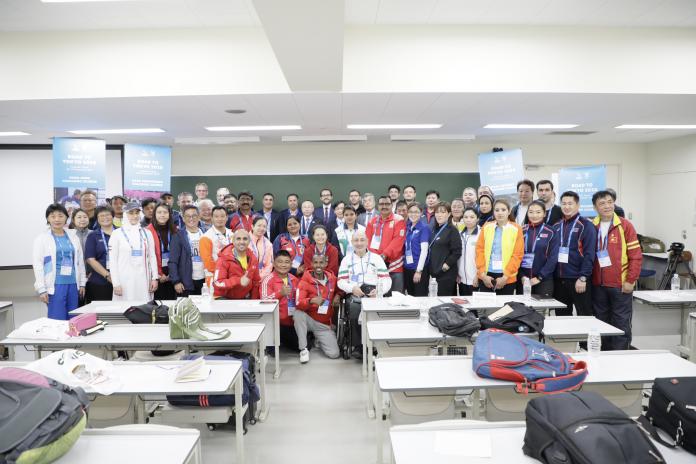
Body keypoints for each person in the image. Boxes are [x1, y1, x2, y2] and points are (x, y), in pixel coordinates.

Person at [591, 190, 642, 350]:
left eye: (609, 202)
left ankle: (621, 355)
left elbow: (636, 256)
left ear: (614, 203)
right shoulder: (592, 225)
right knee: (601, 321)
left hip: (620, 284)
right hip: (598, 284)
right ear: (595, 207)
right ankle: (605, 353)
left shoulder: (625, 225)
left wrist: (630, 280)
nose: (607, 206)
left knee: (621, 321)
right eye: (602, 203)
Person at [337, 231, 391, 359]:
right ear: (352, 243)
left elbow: (387, 279)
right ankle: (359, 346)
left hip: (374, 293)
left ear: (367, 242)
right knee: (355, 308)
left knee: (376, 311)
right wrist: (352, 288)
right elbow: (340, 281)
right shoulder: (346, 260)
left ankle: (376, 345)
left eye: (362, 240)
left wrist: (379, 291)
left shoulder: (376, 258)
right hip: (355, 293)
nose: (359, 243)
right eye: (356, 240)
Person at [33, 203, 86, 320]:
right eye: (53, 216)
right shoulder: (42, 239)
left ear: (66, 218)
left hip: (73, 284)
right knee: (57, 320)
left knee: (73, 319)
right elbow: (38, 265)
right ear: (48, 218)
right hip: (55, 285)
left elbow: (80, 262)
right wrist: (41, 289)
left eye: (60, 216)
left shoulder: (73, 237)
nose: (57, 219)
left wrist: (82, 283)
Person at [553, 191, 597, 317]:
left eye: (570, 203)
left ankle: (586, 338)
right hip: (559, 280)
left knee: (585, 315)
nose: (566, 207)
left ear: (577, 205)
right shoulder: (556, 226)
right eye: (564, 203)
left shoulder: (586, 225)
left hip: (578, 280)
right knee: (562, 316)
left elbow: (589, 254)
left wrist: (583, 277)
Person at [295, 254, 341, 362]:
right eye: (315, 262)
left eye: (321, 262)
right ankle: (303, 349)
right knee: (298, 314)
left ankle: (318, 339)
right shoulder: (304, 281)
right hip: (309, 319)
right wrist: (311, 301)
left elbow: (341, 288)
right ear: (311, 264)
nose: (318, 265)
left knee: (334, 354)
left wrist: (338, 295)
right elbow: (298, 303)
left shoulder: (333, 279)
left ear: (326, 264)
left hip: (323, 324)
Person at [109, 201, 158, 301]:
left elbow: (152, 256)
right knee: (124, 311)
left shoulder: (147, 233)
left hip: (144, 280)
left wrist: (154, 278)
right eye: (131, 213)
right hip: (124, 281)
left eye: (137, 213)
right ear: (125, 214)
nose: (135, 216)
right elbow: (113, 261)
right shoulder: (116, 234)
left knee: (144, 310)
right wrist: (116, 283)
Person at [475, 198, 524, 295]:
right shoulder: (487, 226)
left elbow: (517, 255)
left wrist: (505, 277)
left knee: (504, 309)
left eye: (503, 210)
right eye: (497, 210)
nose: (500, 213)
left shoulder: (516, 229)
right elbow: (479, 250)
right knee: (487, 308)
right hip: (486, 275)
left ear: (509, 211)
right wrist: (483, 275)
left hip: (506, 277)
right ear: (493, 212)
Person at [260, 251, 300, 350]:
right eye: (280, 262)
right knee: (272, 351)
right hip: (275, 324)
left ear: (291, 264)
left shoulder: (295, 279)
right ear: (274, 263)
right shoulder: (267, 280)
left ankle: (285, 340)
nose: (283, 265)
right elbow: (263, 301)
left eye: (287, 262)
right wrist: (280, 294)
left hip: (291, 323)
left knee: (299, 346)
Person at [517, 200, 558, 297]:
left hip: (543, 280)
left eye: (538, 212)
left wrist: (540, 277)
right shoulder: (521, 230)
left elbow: (553, 258)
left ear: (544, 213)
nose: (534, 215)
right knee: (522, 310)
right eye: (531, 212)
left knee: (541, 311)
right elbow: (516, 254)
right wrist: (522, 276)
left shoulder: (551, 232)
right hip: (523, 280)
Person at [366, 196, 406, 294]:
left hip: (394, 266)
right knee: (378, 297)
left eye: (387, 204)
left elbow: (397, 241)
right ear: (378, 206)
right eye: (381, 204)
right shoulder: (372, 221)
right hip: (376, 266)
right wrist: (376, 258)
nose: (384, 206)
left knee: (396, 297)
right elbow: (367, 241)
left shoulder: (398, 220)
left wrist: (384, 255)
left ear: (392, 205)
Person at [214, 229, 262, 300]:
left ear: (249, 241)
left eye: (245, 239)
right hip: (225, 298)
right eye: (238, 239)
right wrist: (238, 281)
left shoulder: (253, 258)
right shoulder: (223, 259)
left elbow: (256, 283)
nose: (242, 242)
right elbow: (217, 283)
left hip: (244, 298)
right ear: (233, 241)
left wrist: (253, 302)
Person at [169, 205, 206, 296]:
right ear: (183, 218)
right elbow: (173, 261)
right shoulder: (178, 235)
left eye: (194, 215)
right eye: (188, 216)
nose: (191, 218)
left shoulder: (206, 233)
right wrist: (176, 281)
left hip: (205, 280)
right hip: (186, 282)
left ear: (199, 217)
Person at [428, 202, 462, 296]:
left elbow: (457, 252)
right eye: (437, 212)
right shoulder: (434, 229)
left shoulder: (452, 230)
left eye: (442, 212)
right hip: (434, 273)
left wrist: (446, 265)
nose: (439, 215)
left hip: (446, 274)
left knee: (444, 302)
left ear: (449, 214)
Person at [147, 202, 178, 300]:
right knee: (158, 306)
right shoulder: (147, 231)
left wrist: (172, 275)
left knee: (172, 304)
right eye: (159, 212)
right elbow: (148, 256)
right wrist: (159, 274)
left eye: (165, 212)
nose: (162, 215)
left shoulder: (175, 230)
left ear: (169, 214)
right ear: (154, 214)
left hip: (173, 273)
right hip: (156, 274)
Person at [84, 206, 115, 303]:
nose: (105, 217)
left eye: (107, 215)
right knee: (101, 313)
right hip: (99, 281)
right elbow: (90, 259)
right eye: (101, 215)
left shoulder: (121, 233)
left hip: (121, 279)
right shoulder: (93, 236)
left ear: (113, 216)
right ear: (97, 219)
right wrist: (107, 275)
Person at [404, 203, 430, 296]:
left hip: (418, 269)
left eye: (416, 212)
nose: (413, 214)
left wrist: (419, 271)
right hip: (407, 268)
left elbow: (424, 251)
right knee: (410, 297)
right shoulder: (408, 226)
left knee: (420, 298)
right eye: (411, 212)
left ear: (421, 213)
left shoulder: (424, 228)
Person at [200, 206, 233, 275]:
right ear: (212, 218)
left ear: (227, 218)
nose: (219, 219)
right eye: (216, 216)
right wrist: (224, 271)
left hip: (232, 274)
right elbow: (208, 263)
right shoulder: (206, 237)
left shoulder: (232, 234)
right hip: (214, 276)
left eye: (222, 216)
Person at [457, 207, 480, 296]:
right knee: (464, 306)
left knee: (475, 308)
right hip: (461, 279)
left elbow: (485, 257)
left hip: (475, 278)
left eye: (472, 217)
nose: (468, 220)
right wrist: (457, 274)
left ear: (477, 218)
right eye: (465, 217)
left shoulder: (481, 234)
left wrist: (478, 276)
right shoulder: (459, 234)